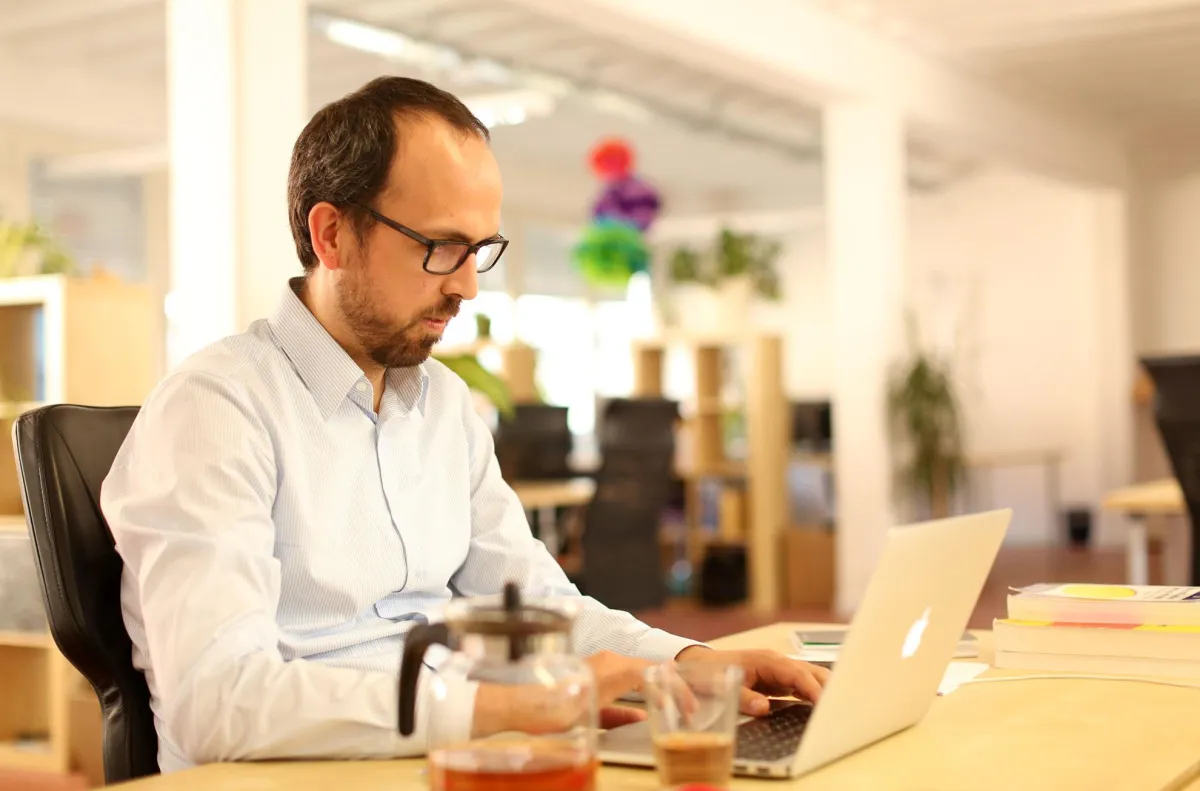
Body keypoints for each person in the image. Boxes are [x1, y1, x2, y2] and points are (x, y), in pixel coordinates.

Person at [101, 76, 829, 773]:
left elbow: (542, 608)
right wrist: (496, 707)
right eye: (442, 246)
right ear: (331, 234)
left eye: (481, 249)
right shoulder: (217, 408)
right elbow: (217, 701)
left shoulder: (444, 407)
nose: (468, 285)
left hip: (451, 756)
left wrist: (690, 662)